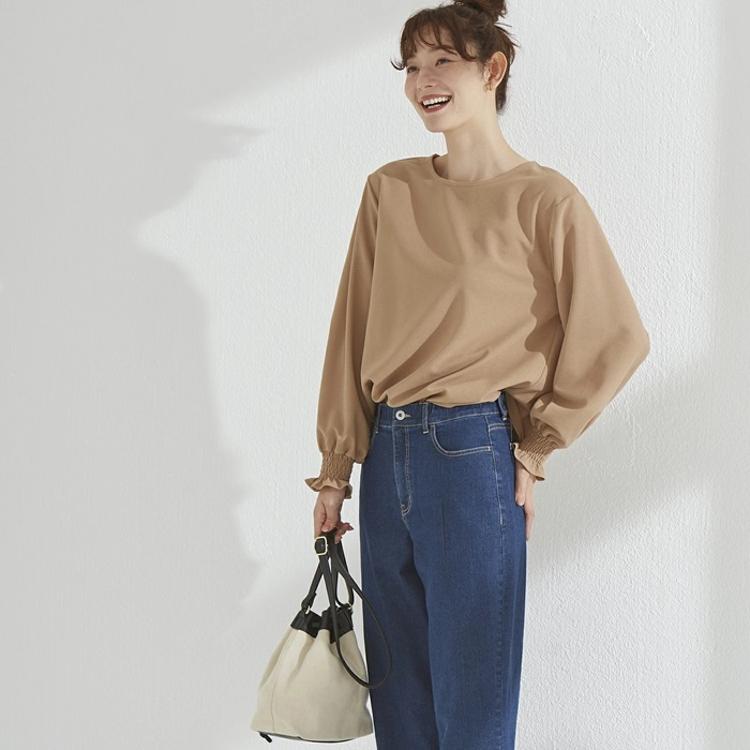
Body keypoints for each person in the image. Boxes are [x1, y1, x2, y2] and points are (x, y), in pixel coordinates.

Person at [304, 0, 650, 747]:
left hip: (471, 456)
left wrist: (536, 447)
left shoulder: (543, 199)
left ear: (493, 69)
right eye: (411, 66)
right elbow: (351, 331)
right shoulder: (390, 190)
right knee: (401, 710)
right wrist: (335, 470)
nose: (422, 81)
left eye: (442, 63)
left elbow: (616, 336)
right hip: (385, 453)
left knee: (473, 712)